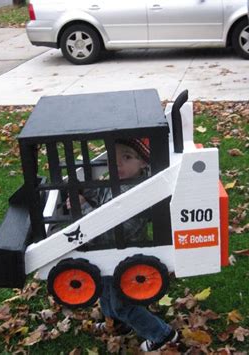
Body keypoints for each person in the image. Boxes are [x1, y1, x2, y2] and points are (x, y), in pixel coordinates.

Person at [68, 138, 179, 351]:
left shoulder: (138, 193)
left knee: (123, 304)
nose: (117, 164)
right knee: (104, 289)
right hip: (105, 253)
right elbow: (100, 195)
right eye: (113, 158)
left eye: (126, 157)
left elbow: (113, 227)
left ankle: (163, 334)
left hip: (123, 256)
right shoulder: (116, 181)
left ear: (143, 163)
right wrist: (83, 195)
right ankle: (117, 324)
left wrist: (82, 211)